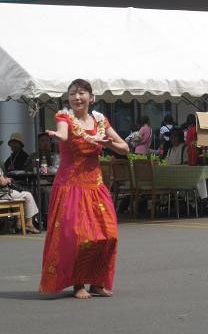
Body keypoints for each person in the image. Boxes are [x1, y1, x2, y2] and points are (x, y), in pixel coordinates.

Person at [39, 78, 129, 299]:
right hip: (70, 185)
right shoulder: (64, 117)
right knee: (78, 236)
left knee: (108, 234)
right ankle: (78, 283)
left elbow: (124, 148)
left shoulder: (100, 120)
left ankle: (98, 282)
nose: (76, 97)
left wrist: (107, 143)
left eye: (81, 93)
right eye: (72, 93)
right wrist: (56, 136)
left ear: (91, 97)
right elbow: (63, 134)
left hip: (95, 185)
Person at [0, 165, 40, 233]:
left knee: (17, 196)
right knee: (28, 195)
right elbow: (2, 182)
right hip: (2, 194)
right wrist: (8, 180)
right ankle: (29, 224)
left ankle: (19, 223)